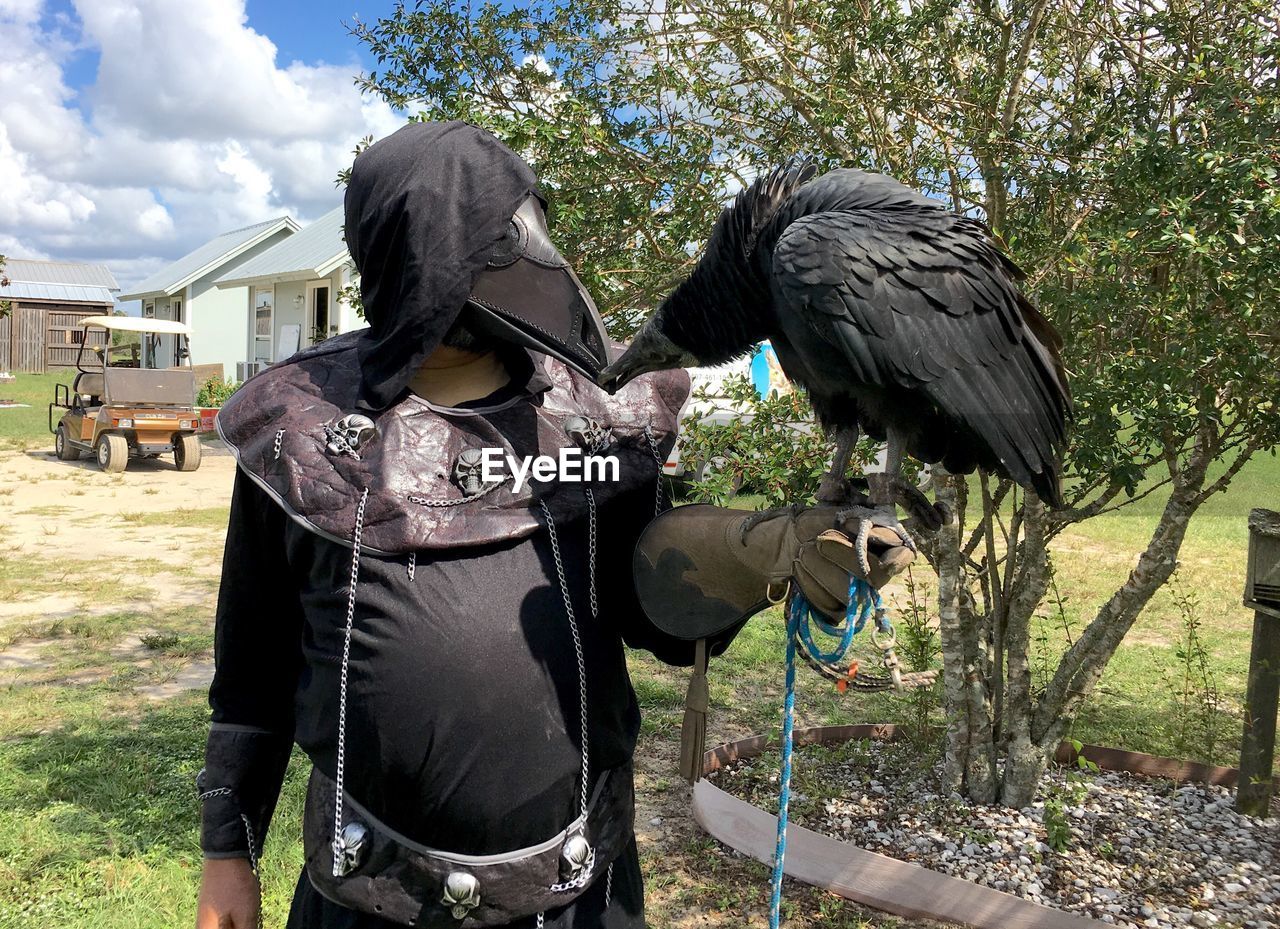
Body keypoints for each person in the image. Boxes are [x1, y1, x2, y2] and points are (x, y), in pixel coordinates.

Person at [194, 121, 914, 929]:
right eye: (499, 235)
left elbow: (657, 617)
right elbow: (251, 667)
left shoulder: (598, 419)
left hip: (576, 898)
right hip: (367, 900)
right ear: (413, 252)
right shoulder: (301, 426)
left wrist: (754, 559)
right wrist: (229, 853)